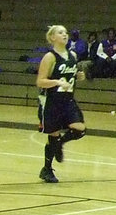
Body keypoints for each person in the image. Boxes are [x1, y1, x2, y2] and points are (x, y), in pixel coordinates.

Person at [36, 24, 87, 183]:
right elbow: (40, 81)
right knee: (54, 134)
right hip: (52, 101)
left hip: (68, 99)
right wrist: (57, 82)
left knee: (80, 129)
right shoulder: (50, 57)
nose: (65, 35)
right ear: (52, 38)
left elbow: (71, 75)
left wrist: (79, 76)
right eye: (60, 32)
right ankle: (47, 169)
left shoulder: (72, 55)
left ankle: (60, 145)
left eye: (65, 32)